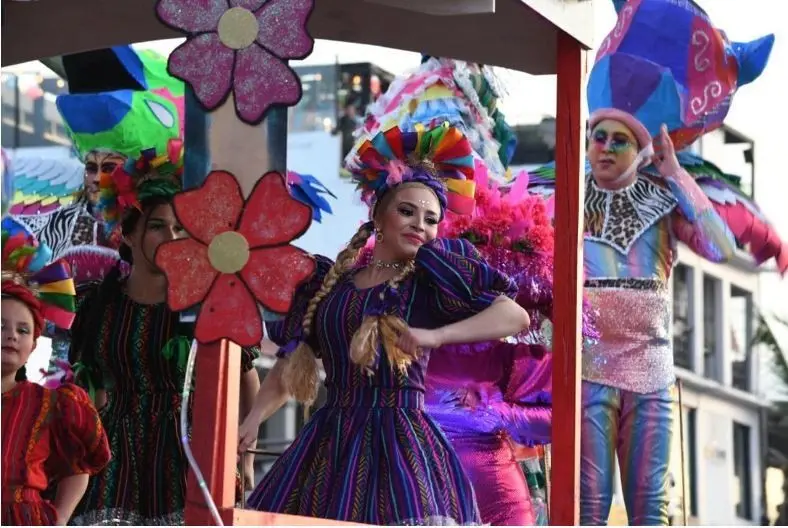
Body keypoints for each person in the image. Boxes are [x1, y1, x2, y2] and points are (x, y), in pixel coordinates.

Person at [534, 1, 773, 523]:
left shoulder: (665, 202)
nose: (605, 147)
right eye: (598, 136)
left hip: (651, 373)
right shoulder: (559, 196)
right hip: (585, 370)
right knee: (583, 510)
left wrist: (677, 176)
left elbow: (722, 249)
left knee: (650, 512)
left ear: (642, 150)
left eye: (620, 140)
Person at [240, 124, 530, 525]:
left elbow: (514, 314)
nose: (419, 225)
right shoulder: (330, 288)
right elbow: (293, 364)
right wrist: (253, 420)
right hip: (330, 444)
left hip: (402, 446)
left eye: (431, 219)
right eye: (407, 211)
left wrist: (437, 335)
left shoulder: (430, 282)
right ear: (377, 214)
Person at [66, 143, 260, 525]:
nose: (172, 237)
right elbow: (88, 387)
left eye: (180, 228)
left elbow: (245, 376)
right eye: (158, 226)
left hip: (188, 450)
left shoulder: (209, 304)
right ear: (126, 234)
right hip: (111, 451)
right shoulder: (97, 305)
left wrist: (243, 453)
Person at [1, 231, 111, 525]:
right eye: (1, 325)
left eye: (23, 330)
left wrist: (58, 519)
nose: (11, 335)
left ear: (33, 345)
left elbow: (77, 469)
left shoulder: (50, 403)